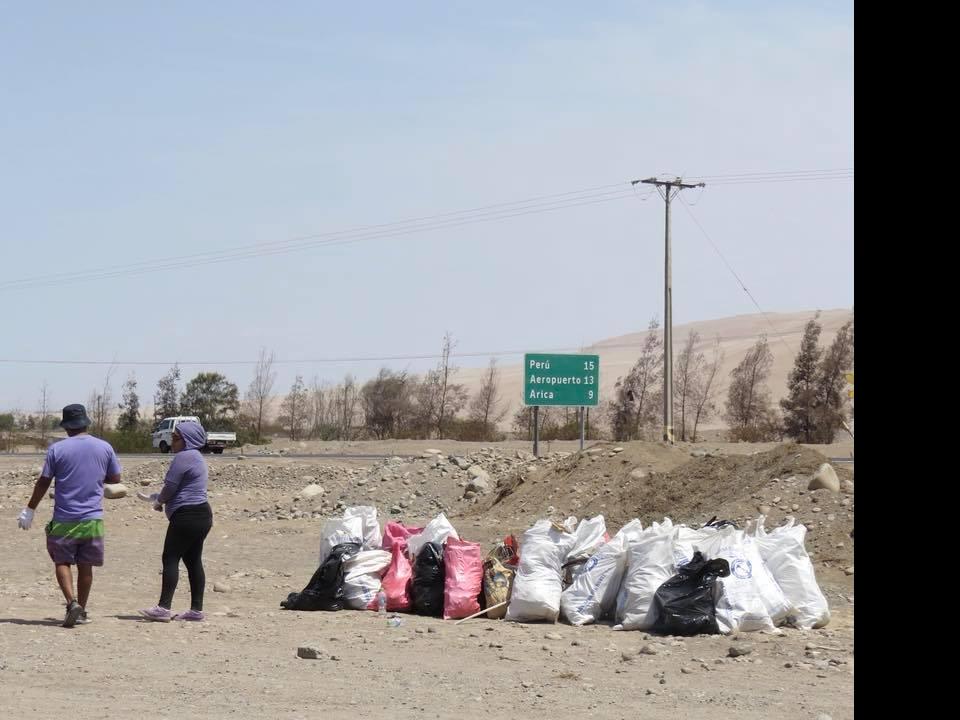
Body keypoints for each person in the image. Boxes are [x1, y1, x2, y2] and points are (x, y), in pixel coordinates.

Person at [17, 404, 122, 628]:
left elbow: (44, 481)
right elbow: (115, 478)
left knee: (61, 561)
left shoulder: (57, 449)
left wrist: (30, 509)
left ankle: (71, 602)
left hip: (64, 519)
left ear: (66, 427)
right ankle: (81, 610)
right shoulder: (104, 447)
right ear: (86, 423)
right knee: (86, 566)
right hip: (93, 520)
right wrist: (93, 478)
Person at [140, 420, 213, 622]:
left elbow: (171, 486)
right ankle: (196, 610)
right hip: (202, 515)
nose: (172, 442)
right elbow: (181, 487)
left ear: (187, 440)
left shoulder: (184, 457)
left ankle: (163, 608)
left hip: (186, 517)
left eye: (175, 438)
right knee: (193, 560)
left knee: (170, 557)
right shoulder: (197, 457)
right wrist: (159, 496)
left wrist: (159, 501)